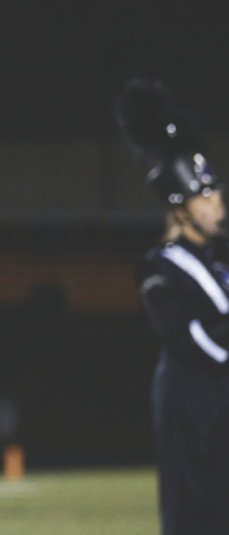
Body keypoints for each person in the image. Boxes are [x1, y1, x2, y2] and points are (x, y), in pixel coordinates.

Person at [117, 78, 229, 535]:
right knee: (191, 509)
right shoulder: (159, 267)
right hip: (189, 397)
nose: (218, 204)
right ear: (180, 209)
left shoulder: (218, 262)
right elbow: (190, 337)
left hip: (220, 393)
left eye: (217, 192)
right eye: (206, 197)